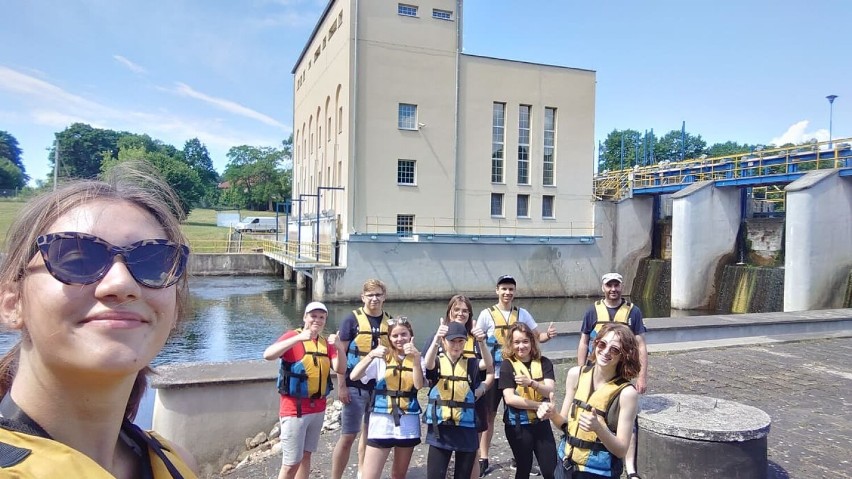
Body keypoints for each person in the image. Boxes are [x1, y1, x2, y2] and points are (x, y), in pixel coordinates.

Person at [0, 162, 197, 477]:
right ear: (12, 303)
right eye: (77, 257)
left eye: (152, 262)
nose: (121, 285)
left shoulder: (178, 463)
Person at [475, 274, 556, 476]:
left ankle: (519, 455)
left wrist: (548, 335)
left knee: (521, 410)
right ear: (497, 291)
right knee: (489, 415)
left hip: (518, 369)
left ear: (515, 292)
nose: (507, 292)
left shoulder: (523, 314)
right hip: (496, 371)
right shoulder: (487, 314)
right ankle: (483, 457)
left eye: (511, 289)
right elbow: (478, 341)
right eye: (504, 289)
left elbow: (537, 336)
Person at [539, 323, 641, 479]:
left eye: (615, 350)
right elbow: (565, 425)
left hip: (597, 472)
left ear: (624, 355)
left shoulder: (627, 393)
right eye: (602, 344)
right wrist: (553, 414)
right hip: (565, 465)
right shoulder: (575, 375)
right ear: (596, 343)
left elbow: (621, 450)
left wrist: (598, 428)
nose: (606, 351)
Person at [576, 273, 647, 479]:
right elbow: (583, 342)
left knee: (627, 420)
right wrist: (582, 370)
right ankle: (585, 452)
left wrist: (642, 376)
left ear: (622, 287)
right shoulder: (592, 311)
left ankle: (630, 467)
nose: (613, 289)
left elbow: (641, 345)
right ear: (603, 287)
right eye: (609, 285)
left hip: (621, 372)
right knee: (587, 411)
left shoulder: (633, 312)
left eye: (617, 285)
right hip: (594, 371)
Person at [263, 301, 338, 479]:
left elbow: (340, 368)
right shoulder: (292, 336)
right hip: (295, 409)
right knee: (290, 463)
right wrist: (298, 338)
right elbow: (268, 355)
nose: (317, 320)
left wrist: (339, 347)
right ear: (305, 317)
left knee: (306, 456)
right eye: (313, 316)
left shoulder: (325, 343)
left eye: (321, 317)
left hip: (318, 409)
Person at [424, 295, 494, 479]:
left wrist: (481, 341)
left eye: (460, 341)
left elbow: (488, 364)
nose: (456, 345)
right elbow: (428, 364)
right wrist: (437, 339)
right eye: (452, 341)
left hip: (467, 423)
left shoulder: (471, 362)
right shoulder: (437, 360)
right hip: (442, 428)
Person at [332, 279, 392, 479]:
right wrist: (342, 386)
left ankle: (362, 473)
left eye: (378, 295)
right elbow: (341, 354)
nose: (374, 299)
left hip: (379, 389)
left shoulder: (388, 321)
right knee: (348, 436)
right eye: (370, 295)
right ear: (363, 297)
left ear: (384, 296)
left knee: (369, 434)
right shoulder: (351, 320)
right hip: (354, 386)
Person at [349, 316, 423, 479]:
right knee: (370, 475)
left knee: (398, 474)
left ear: (410, 335)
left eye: (403, 334)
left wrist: (417, 359)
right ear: (388, 338)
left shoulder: (418, 358)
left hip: (407, 423)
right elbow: (354, 376)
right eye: (395, 336)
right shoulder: (381, 358)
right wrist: (370, 356)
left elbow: (418, 385)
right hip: (381, 422)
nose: (400, 339)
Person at [499, 323, 558, 479]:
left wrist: (532, 383)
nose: (521, 346)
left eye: (525, 341)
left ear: (532, 342)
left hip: (541, 424)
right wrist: (539, 405)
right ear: (511, 344)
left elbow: (550, 390)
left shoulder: (544, 362)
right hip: (519, 426)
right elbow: (510, 398)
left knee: (550, 470)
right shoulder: (507, 365)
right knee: (524, 468)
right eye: (517, 342)